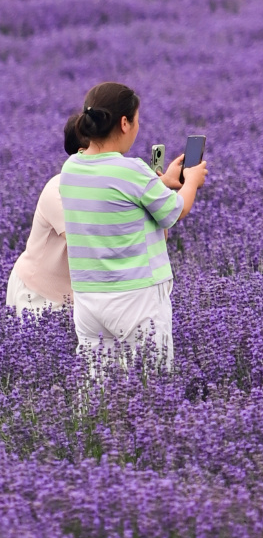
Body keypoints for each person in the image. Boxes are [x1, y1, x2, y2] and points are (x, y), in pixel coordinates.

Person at [60, 81, 207, 369]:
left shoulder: (71, 168)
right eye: (137, 120)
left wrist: (159, 183)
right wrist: (191, 181)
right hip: (135, 298)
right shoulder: (132, 171)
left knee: (98, 387)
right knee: (153, 385)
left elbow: (114, 197)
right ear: (124, 123)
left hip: (89, 299)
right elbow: (175, 211)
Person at [6, 116, 89, 318]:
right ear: (82, 153)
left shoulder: (103, 188)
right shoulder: (57, 190)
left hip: (73, 297)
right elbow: (84, 245)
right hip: (36, 294)